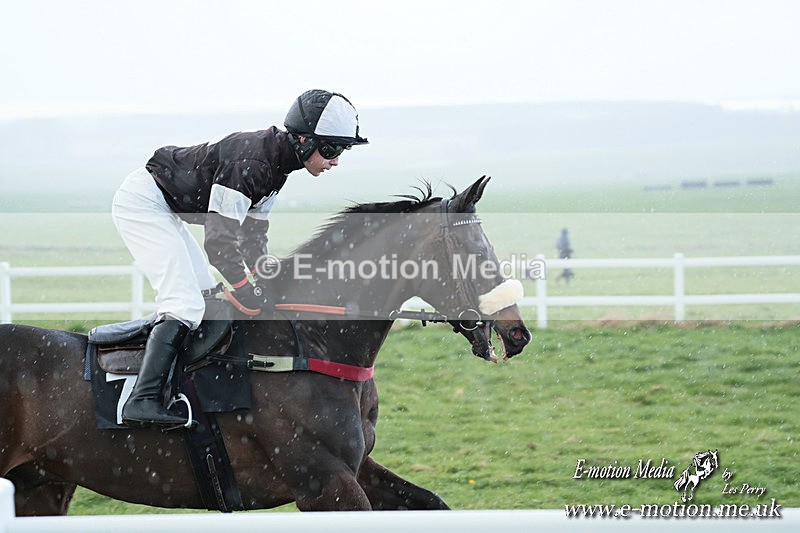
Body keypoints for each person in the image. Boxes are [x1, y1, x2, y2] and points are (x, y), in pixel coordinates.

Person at [111, 89, 368, 426]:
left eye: (341, 150)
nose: (335, 160)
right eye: (331, 149)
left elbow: (252, 236)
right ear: (304, 140)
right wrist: (246, 287)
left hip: (169, 208)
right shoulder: (253, 163)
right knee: (184, 304)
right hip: (144, 204)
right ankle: (140, 400)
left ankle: (182, 388)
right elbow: (219, 244)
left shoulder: (278, 169)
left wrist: (267, 277)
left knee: (205, 300)